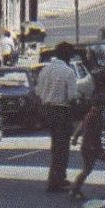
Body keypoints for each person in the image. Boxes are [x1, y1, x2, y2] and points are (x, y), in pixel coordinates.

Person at [36, 42, 79, 192]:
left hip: (46, 110)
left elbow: (39, 93)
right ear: (67, 56)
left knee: (56, 145)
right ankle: (56, 180)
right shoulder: (68, 72)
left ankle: (58, 177)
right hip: (62, 111)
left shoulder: (45, 70)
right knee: (61, 147)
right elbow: (72, 96)